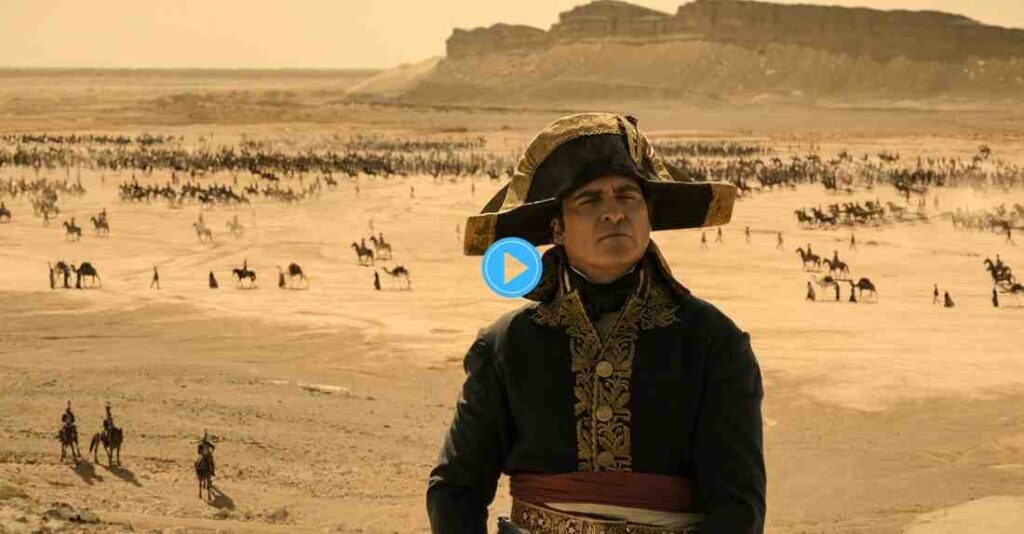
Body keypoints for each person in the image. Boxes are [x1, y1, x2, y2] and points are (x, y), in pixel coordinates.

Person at [428, 113, 765, 533]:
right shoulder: (506, 344)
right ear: (557, 228)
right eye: (590, 201)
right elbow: (456, 488)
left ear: (648, 215)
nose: (615, 213)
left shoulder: (713, 340)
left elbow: (738, 506)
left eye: (628, 197)